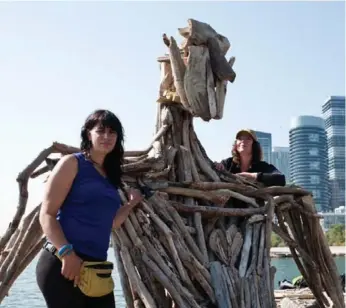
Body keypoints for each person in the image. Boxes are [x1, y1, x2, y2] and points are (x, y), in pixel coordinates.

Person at [36, 109, 143, 308]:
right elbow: (47, 214)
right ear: (88, 134)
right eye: (100, 131)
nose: (106, 137)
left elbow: (109, 223)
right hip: (62, 263)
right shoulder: (72, 163)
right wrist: (67, 253)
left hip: (95, 269)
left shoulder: (109, 175)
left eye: (112, 132)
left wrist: (130, 204)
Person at [214, 129, 286, 187]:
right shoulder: (227, 163)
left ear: (254, 145)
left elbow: (281, 179)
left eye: (248, 139)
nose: (243, 141)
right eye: (239, 139)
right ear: (236, 144)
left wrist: (253, 176)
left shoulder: (263, 166)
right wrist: (216, 166)